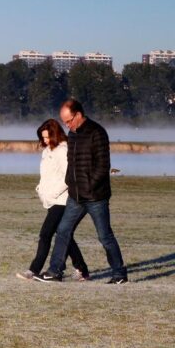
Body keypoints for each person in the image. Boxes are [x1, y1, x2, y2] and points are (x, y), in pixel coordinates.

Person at [37, 99, 127, 284]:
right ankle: (55, 271)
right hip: (75, 196)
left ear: (78, 115)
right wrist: (71, 182)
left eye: (69, 120)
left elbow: (103, 166)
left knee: (105, 236)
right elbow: (71, 164)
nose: (66, 125)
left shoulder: (97, 132)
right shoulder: (73, 134)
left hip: (96, 197)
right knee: (62, 231)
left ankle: (119, 274)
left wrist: (88, 185)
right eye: (64, 121)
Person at [17, 119, 89, 281]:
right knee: (63, 234)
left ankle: (34, 269)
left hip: (62, 200)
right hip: (50, 200)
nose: (45, 141)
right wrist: (41, 190)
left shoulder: (63, 150)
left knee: (46, 234)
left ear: (55, 134)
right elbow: (47, 175)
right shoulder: (47, 151)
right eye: (42, 138)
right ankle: (82, 269)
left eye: (48, 137)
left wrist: (54, 194)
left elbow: (68, 176)